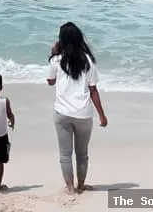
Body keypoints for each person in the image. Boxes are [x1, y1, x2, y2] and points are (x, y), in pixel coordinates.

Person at [46, 22, 108, 194]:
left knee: (65, 154)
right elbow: (93, 89)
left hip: (62, 113)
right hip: (84, 114)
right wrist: (102, 115)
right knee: (82, 154)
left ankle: (70, 188)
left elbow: (50, 82)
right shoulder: (88, 60)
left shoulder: (56, 60)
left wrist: (53, 54)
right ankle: (81, 185)